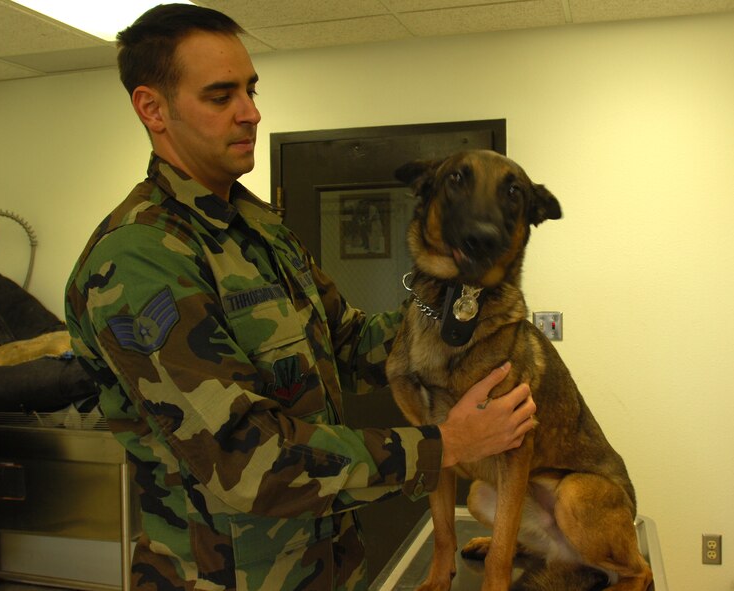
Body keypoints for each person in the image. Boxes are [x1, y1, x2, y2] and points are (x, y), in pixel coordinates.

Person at [64, 4, 536, 590]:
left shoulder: (257, 226)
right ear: (152, 108)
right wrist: (446, 444)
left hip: (327, 566)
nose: (250, 113)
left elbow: (349, 341)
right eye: (221, 96)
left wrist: (471, 308)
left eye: (251, 89)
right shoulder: (140, 259)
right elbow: (244, 458)